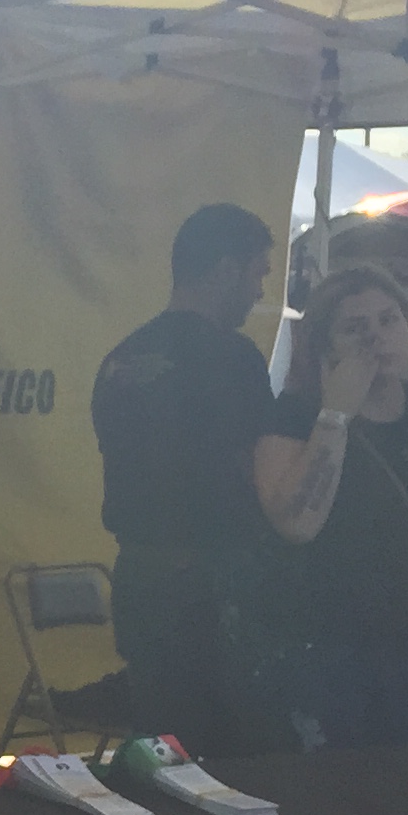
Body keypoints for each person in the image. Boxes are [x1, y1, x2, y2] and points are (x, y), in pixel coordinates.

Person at [231, 265, 408, 749]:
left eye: (389, 321)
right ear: (326, 345)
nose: (376, 338)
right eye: (354, 328)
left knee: (406, 799)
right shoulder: (294, 414)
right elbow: (297, 523)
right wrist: (336, 413)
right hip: (309, 650)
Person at [90, 202, 278, 756]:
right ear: (225, 270)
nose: (258, 292)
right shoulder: (232, 358)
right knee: (227, 758)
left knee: (161, 749)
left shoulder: (121, 359)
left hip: (142, 583)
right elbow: (259, 472)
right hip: (213, 588)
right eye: (258, 273)